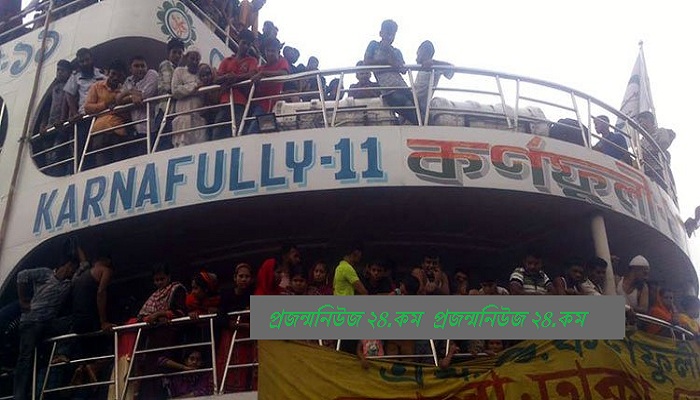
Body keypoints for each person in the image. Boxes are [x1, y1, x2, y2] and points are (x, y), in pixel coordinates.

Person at [13, 252, 79, 400]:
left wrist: (78, 247)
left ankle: (60, 353)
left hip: (48, 323)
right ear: (68, 265)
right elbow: (22, 275)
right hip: (31, 321)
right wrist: (23, 301)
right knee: (25, 358)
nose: (72, 272)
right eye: (72, 269)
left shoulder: (68, 283)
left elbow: (85, 266)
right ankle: (19, 396)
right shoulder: (45, 273)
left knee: (74, 321)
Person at [363, 19, 418, 125]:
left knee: (418, 107)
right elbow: (366, 62)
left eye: (392, 34)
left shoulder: (396, 51)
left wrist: (390, 51)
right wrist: (386, 61)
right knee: (407, 106)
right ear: (381, 33)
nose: (389, 37)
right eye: (387, 33)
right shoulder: (374, 45)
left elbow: (403, 70)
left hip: (403, 87)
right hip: (389, 91)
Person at [217, 263, 256, 392]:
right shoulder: (226, 294)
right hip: (230, 336)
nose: (244, 279)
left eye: (247, 276)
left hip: (247, 336)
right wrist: (238, 324)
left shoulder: (254, 294)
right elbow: (220, 317)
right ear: (235, 278)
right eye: (241, 276)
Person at [213, 29, 259, 139]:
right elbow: (216, 79)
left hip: (240, 102)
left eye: (248, 44)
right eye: (244, 43)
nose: (246, 46)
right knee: (218, 132)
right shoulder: (227, 60)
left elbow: (251, 74)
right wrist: (227, 77)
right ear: (238, 41)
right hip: (225, 101)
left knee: (237, 131)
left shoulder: (252, 60)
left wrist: (234, 77)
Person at [170, 50, 209, 147]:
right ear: (186, 58)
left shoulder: (201, 74)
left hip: (198, 118)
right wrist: (194, 86)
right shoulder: (179, 71)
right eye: (192, 58)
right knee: (181, 147)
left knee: (200, 147)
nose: (195, 62)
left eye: (197, 59)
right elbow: (175, 91)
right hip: (183, 117)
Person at [414, 40, 454, 122]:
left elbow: (451, 71)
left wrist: (434, 62)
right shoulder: (421, 68)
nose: (416, 57)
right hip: (413, 102)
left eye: (418, 53)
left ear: (425, 53)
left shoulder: (434, 67)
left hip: (421, 106)